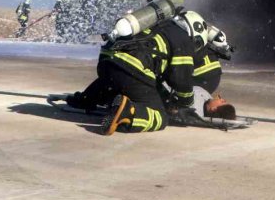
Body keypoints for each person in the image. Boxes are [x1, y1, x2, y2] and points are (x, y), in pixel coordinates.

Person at [67, 10, 210, 135]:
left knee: (115, 80)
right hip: (133, 67)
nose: (194, 47)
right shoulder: (183, 38)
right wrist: (186, 102)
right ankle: (129, 112)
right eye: (197, 43)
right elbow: (181, 80)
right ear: (194, 30)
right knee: (161, 116)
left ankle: (86, 99)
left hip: (107, 61)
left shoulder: (157, 25)